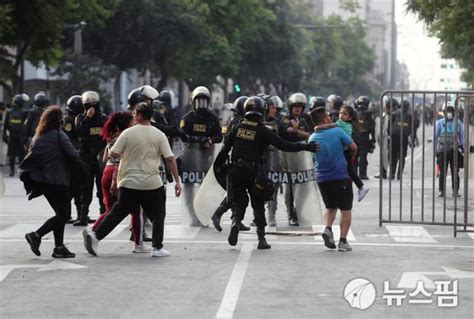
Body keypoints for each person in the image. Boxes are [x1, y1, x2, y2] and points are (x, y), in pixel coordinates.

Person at [215, 96, 319, 249]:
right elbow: (284, 145)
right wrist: (306, 147)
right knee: (258, 204)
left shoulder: (237, 127)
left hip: (235, 171)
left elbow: (225, 149)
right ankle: (261, 239)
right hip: (253, 171)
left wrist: (220, 167)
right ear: (262, 111)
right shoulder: (263, 130)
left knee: (239, 202)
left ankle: (236, 222)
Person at [83, 102, 182, 257]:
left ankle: (95, 236)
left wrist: (126, 154)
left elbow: (112, 154)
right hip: (151, 184)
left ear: (141, 116)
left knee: (117, 212)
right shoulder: (159, 135)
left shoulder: (127, 134)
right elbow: (170, 159)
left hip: (128, 182)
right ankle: (157, 248)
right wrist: (177, 182)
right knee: (158, 214)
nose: (133, 117)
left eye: (135, 114)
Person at [21, 106, 85, 258]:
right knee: (64, 215)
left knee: (59, 214)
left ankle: (59, 248)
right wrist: (83, 152)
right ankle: (36, 235)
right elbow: (73, 155)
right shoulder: (59, 135)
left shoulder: (38, 137)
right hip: (57, 180)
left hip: (43, 182)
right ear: (58, 120)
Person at [90, 112, 150, 253]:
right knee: (136, 210)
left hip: (106, 172)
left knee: (110, 210)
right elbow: (122, 160)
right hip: (118, 174)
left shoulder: (112, 137)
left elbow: (105, 158)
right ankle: (139, 244)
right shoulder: (127, 136)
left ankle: (92, 233)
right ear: (128, 124)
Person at [309, 107, 357, 252]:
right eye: (328, 117)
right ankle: (343, 241)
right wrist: (351, 157)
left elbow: (312, 158)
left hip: (322, 178)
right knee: (346, 209)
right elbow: (353, 146)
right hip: (340, 176)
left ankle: (328, 229)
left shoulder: (312, 137)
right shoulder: (337, 131)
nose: (331, 118)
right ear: (324, 120)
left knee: (330, 207)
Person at [179, 86, 222, 225]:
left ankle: (204, 213)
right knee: (189, 186)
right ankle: (192, 215)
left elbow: (219, 136)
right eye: (199, 101)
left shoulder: (213, 118)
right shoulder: (188, 118)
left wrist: (210, 140)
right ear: (193, 101)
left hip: (206, 157)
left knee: (205, 187)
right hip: (190, 156)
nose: (201, 104)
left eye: (204, 101)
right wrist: (197, 140)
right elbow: (182, 135)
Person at [211, 96, 251, 232]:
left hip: (234, 161)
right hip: (235, 162)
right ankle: (218, 213)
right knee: (234, 195)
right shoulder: (238, 123)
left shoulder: (234, 122)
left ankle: (237, 220)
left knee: (237, 194)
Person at [314, 105, 369, 202]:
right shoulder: (347, 124)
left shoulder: (340, 124)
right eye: (340, 113)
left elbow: (329, 126)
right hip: (346, 150)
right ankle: (360, 187)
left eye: (344, 114)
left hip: (344, 150)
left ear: (350, 117)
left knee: (349, 170)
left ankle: (361, 187)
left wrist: (317, 127)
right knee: (350, 170)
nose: (341, 115)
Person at [74, 91, 107, 226]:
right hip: (86, 159)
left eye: (94, 104)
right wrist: (87, 118)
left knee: (102, 190)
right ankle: (83, 216)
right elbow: (79, 132)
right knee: (85, 189)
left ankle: (103, 216)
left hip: (100, 160)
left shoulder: (104, 119)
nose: (92, 107)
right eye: (89, 105)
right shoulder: (80, 119)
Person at [280, 92, 313, 226]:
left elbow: (311, 135)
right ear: (290, 107)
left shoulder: (304, 120)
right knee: (289, 187)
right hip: (288, 157)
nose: (298, 109)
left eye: (300, 106)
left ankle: (298, 210)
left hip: (302, 156)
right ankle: (290, 213)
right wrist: (293, 131)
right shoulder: (284, 119)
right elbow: (284, 132)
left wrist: (297, 131)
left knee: (304, 187)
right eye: (295, 106)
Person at [435, 103, 464, 197]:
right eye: (447, 111)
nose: (449, 113)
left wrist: (462, 147)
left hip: (454, 150)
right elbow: (435, 137)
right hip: (442, 150)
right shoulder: (439, 123)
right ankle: (441, 190)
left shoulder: (458, 123)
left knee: (455, 171)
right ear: (444, 112)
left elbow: (462, 136)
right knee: (443, 171)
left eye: (451, 111)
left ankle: (455, 191)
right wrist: (435, 150)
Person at [63, 95, 84, 223]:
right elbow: (70, 139)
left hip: (77, 157)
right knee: (71, 188)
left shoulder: (78, 118)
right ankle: (66, 214)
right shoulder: (68, 120)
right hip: (71, 158)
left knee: (78, 188)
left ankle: (81, 215)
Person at [3, 94, 28, 176]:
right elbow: (26, 125)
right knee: (21, 153)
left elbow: (5, 125)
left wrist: (4, 135)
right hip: (21, 136)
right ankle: (20, 170)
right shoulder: (24, 112)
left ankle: (11, 171)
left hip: (12, 135)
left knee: (12, 154)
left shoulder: (9, 112)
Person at [354, 96, 376, 180]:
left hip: (354, 136)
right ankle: (362, 174)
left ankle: (354, 173)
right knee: (363, 156)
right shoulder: (369, 114)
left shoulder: (354, 112)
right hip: (364, 137)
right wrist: (373, 140)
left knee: (354, 156)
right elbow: (372, 128)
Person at [389, 100, 412, 179]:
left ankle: (392, 174)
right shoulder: (409, 116)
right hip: (404, 138)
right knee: (402, 157)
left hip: (394, 138)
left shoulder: (394, 114)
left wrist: (390, 135)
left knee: (393, 156)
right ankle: (399, 175)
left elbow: (389, 126)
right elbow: (412, 128)